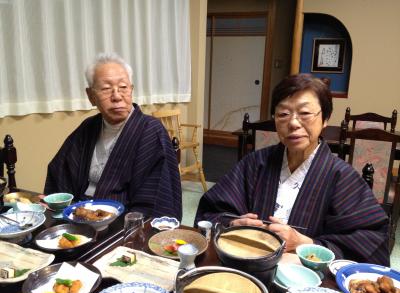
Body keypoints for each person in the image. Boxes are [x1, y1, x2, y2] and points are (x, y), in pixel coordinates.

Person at [195, 73, 389, 265]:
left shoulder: (341, 177)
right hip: (248, 265)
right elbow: (211, 210)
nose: (294, 123)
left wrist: (304, 243)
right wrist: (233, 224)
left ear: (325, 119)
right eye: (283, 114)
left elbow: (371, 241)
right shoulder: (256, 162)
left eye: (305, 113)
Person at [44, 53, 182, 220]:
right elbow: (60, 172)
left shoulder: (150, 131)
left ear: (131, 90)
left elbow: (154, 198)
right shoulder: (88, 127)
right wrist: (57, 205)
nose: (117, 96)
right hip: (78, 217)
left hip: (122, 225)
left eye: (123, 87)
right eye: (106, 88)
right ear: (91, 96)